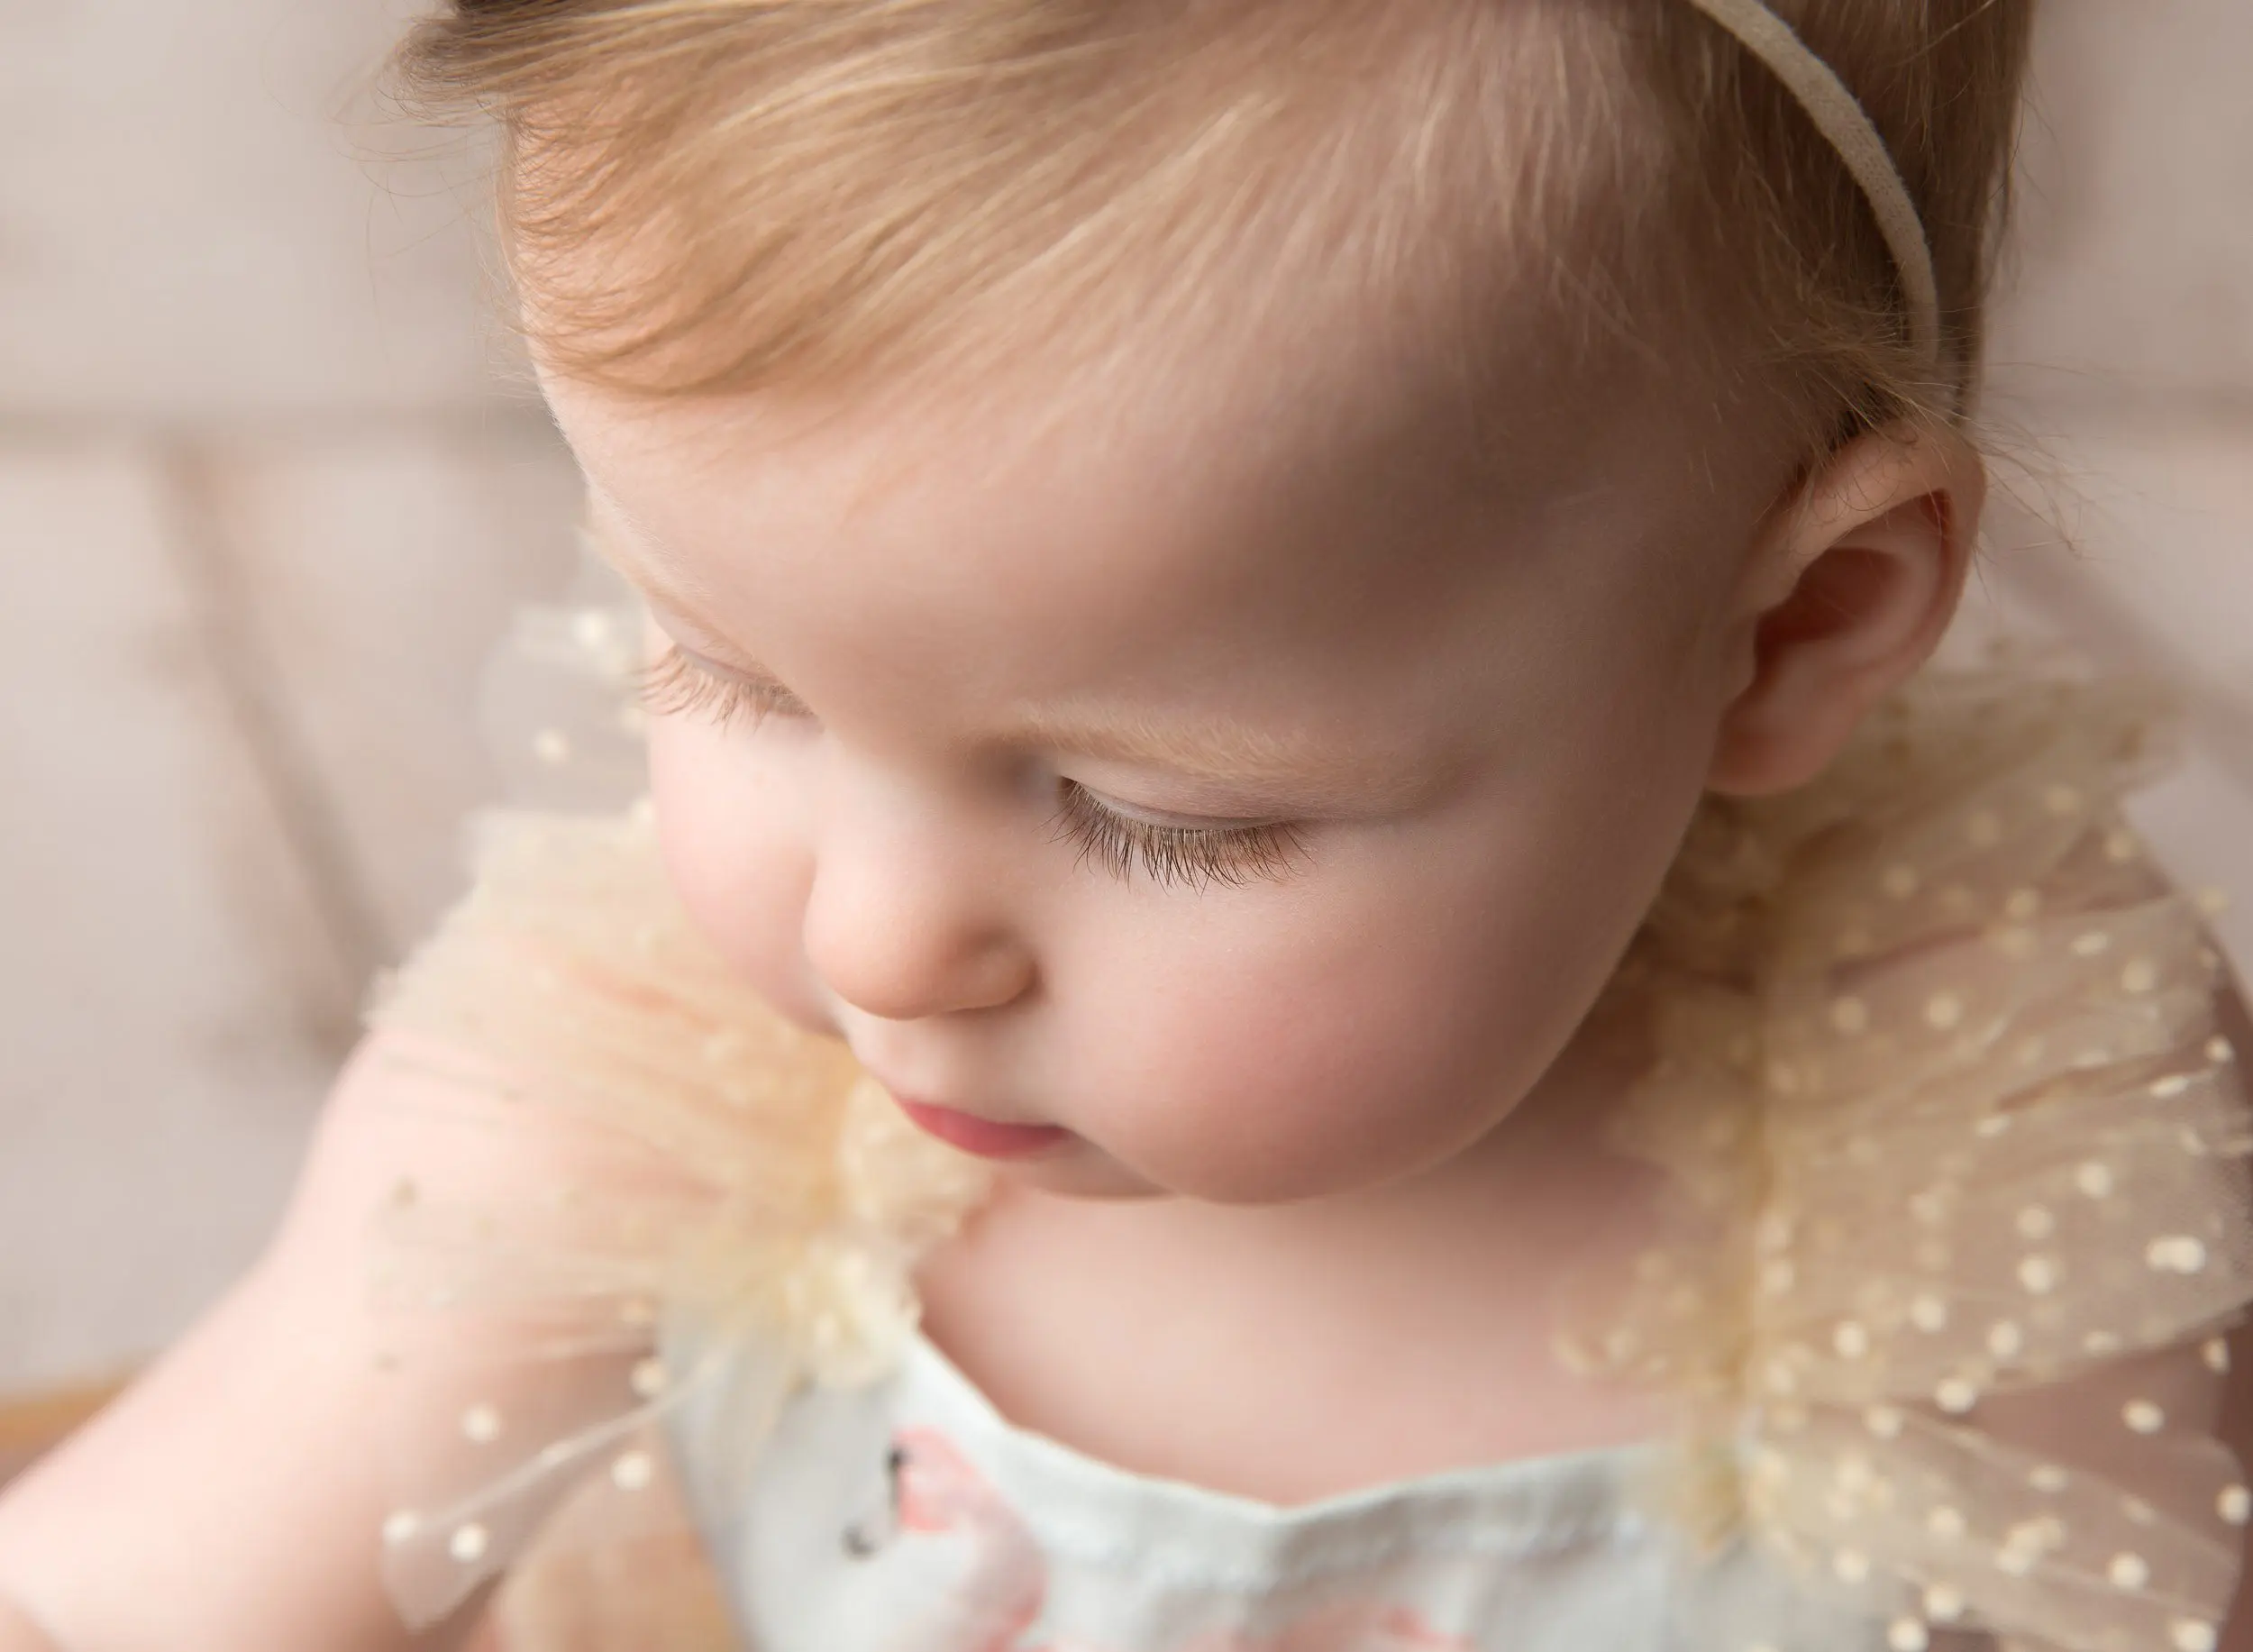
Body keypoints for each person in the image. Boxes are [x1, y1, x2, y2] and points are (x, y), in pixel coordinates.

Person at [3, 1, 2249, 1647]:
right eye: (730, 669)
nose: (879, 942)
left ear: (1784, 635)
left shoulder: (1985, 1127)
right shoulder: (644, 1076)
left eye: (1152, 813)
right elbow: (140, 1587)